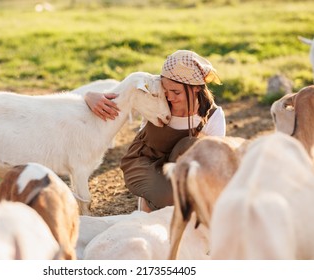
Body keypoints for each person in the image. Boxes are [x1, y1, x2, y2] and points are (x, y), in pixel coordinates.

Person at [84, 50, 226, 212]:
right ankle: (150, 201)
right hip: (144, 161)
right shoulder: (156, 97)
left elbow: (214, 161)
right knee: (169, 196)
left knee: (193, 146)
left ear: (196, 89)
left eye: (176, 92)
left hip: (179, 167)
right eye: (166, 91)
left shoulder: (213, 116)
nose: (170, 97)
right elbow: (122, 94)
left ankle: (164, 200)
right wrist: (89, 96)